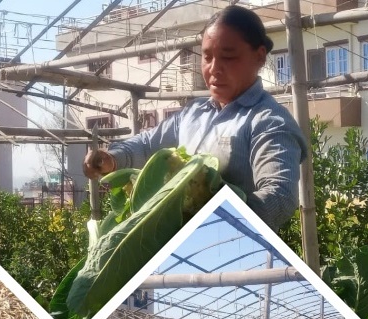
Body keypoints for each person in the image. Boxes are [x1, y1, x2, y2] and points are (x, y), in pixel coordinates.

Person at [82, 5, 307, 229]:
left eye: (228, 57)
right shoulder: (193, 113)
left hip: (237, 251)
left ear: (259, 57)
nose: (214, 69)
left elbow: (280, 195)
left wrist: (217, 222)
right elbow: (147, 144)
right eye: (207, 57)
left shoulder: (268, 121)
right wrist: (112, 158)